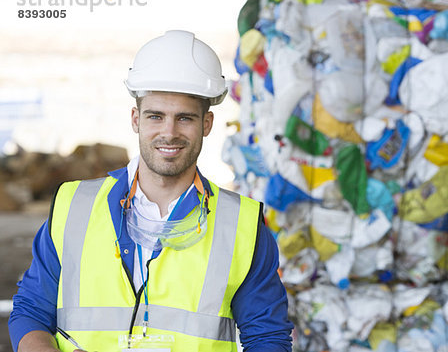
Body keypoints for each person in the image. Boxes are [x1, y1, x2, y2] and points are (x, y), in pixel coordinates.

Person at [8, 30, 294, 352]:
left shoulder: (241, 225)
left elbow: (268, 339)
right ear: (136, 119)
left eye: (184, 118)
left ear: (207, 124)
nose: (169, 133)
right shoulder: (74, 207)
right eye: (156, 116)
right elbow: (30, 313)